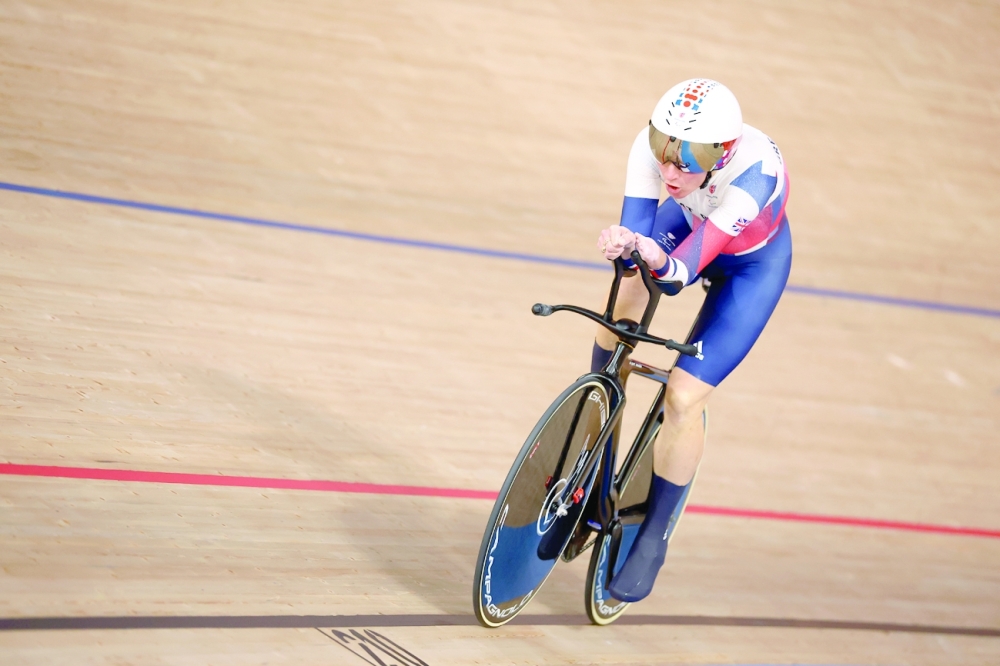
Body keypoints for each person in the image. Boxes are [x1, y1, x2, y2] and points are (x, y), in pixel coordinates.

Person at [593, 78, 792, 602]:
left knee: (682, 397)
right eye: (664, 156)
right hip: (688, 223)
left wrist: (656, 260)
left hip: (749, 267)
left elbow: (680, 272)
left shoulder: (754, 175)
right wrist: (624, 247)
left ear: (721, 154)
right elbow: (637, 239)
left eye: (685, 164)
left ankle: (654, 535)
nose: (669, 172)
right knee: (626, 288)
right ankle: (597, 430)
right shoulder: (652, 147)